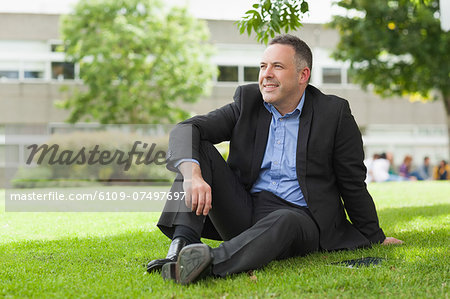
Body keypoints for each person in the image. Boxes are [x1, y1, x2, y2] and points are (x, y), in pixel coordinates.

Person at [147, 34, 403, 285]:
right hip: (245, 210)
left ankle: (208, 263)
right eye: (263, 66)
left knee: (285, 218)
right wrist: (193, 175)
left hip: (301, 221)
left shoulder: (333, 113)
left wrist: (373, 235)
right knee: (195, 149)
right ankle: (181, 246)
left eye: (277, 66)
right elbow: (186, 129)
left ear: (303, 75)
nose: (266, 74)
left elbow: (352, 181)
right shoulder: (247, 102)